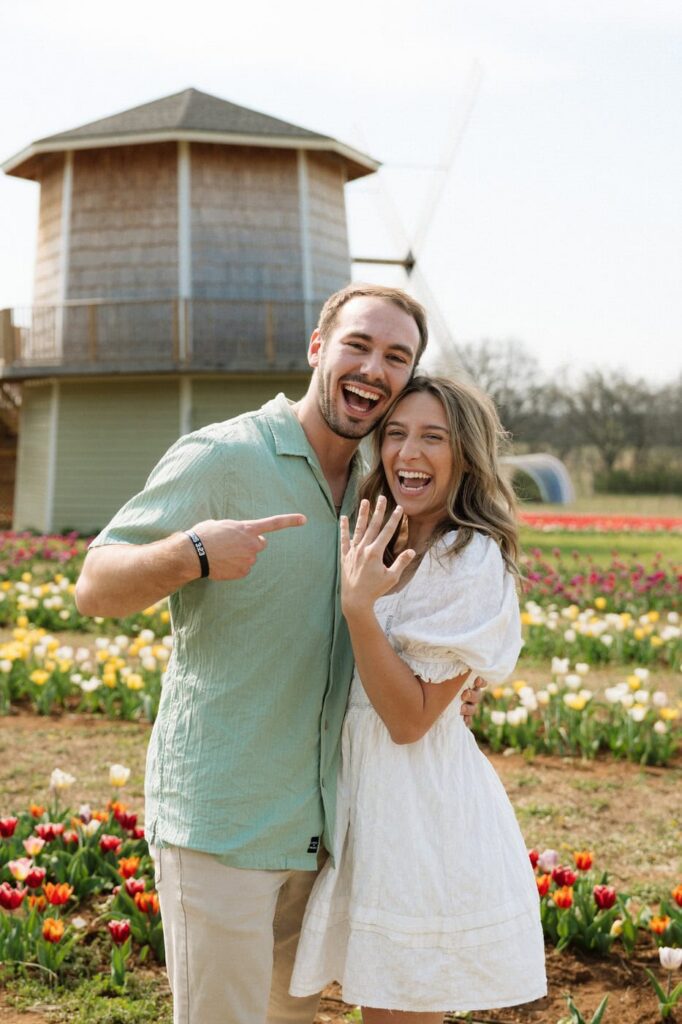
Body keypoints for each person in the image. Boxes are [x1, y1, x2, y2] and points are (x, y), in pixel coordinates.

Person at [75, 284, 485, 1024]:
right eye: (358, 344)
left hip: (320, 828)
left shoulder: (378, 490)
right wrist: (193, 553)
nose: (373, 368)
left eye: (396, 357)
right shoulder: (224, 454)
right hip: (223, 823)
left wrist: (457, 679)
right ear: (317, 348)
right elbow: (95, 586)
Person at [290, 375, 547, 1022]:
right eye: (396, 434)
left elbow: (407, 721)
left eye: (433, 437)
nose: (409, 452)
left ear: (466, 454)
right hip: (347, 791)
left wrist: (360, 609)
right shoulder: (376, 529)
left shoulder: (469, 559)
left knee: (397, 1009)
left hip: (413, 808)